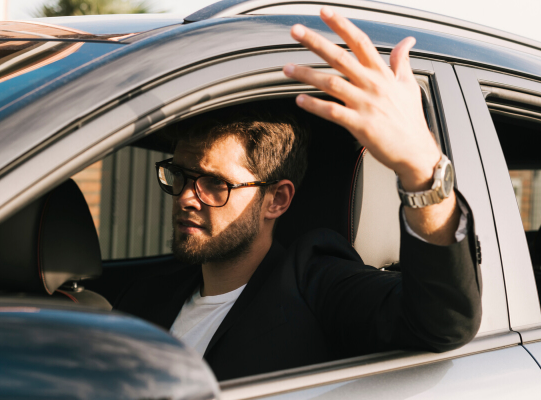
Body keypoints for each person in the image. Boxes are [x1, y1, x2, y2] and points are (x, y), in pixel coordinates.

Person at [113, 8, 481, 381]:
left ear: (277, 200)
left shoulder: (315, 284)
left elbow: (442, 324)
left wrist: (422, 172)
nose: (186, 197)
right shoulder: (145, 295)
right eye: (180, 175)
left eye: (213, 183)